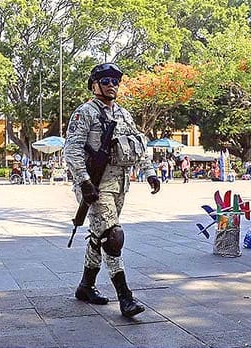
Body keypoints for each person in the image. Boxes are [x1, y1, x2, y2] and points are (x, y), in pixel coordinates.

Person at [64, 62, 161, 318]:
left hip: (119, 184)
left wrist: (149, 172)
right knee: (113, 236)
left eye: (115, 82)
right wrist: (84, 181)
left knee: (99, 235)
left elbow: (138, 145)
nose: (112, 86)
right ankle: (125, 298)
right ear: (94, 85)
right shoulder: (84, 113)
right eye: (106, 81)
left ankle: (85, 286)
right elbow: (72, 149)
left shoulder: (124, 115)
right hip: (94, 185)